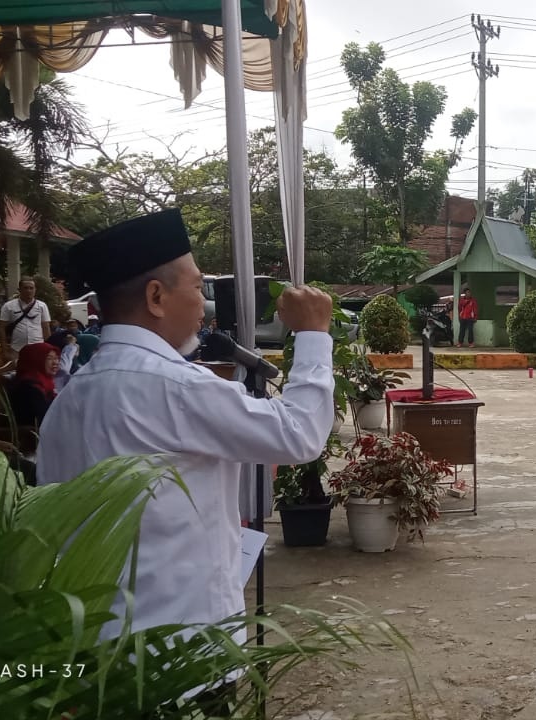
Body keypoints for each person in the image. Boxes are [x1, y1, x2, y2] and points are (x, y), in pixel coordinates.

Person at [38, 210, 335, 712]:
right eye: (197, 288)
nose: (205, 304)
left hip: (97, 656)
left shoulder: (70, 401)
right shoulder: (172, 386)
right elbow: (301, 434)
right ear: (156, 297)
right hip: (180, 661)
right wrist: (312, 335)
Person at [8, 342, 59, 430]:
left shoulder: (45, 382)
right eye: (49, 358)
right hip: (33, 437)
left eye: (56, 358)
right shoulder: (28, 388)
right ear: (36, 360)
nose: (55, 363)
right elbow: (45, 416)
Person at [0, 277, 50, 362]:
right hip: (17, 349)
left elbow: (46, 328)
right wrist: (5, 351)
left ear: (35, 290)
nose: (29, 291)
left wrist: (48, 349)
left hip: (38, 348)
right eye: (25, 288)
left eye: (31, 288)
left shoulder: (42, 306)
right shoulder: (8, 306)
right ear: (19, 290)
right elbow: (2, 328)